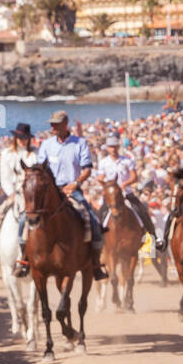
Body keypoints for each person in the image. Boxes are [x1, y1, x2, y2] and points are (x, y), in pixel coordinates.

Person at [36, 111, 107, 280]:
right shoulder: (46, 145)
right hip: (50, 191)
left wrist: (75, 183)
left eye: (56, 124)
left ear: (65, 123)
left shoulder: (79, 143)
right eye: (51, 124)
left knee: (92, 220)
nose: (52, 127)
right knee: (27, 219)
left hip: (72, 189)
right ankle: (25, 259)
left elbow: (87, 169)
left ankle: (95, 263)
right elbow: (40, 169)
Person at [0, 123, 37, 266]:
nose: (22, 140)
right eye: (19, 137)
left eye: (24, 137)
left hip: (31, 194)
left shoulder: (35, 153)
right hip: (12, 192)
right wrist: (11, 193)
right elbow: (5, 178)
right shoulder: (7, 154)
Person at [97, 136, 158, 243]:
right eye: (110, 147)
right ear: (107, 148)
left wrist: (123, 185)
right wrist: (109, 186)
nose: (113, 149)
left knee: (142, 211)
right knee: (100, 213)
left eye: (115, 146)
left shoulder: (127, 161)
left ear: (118, 147)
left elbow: (134, 177)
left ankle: (154, 238)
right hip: (111, 195)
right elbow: (100, 178)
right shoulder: (103, 162)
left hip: (126, 193)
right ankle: (99, 240)